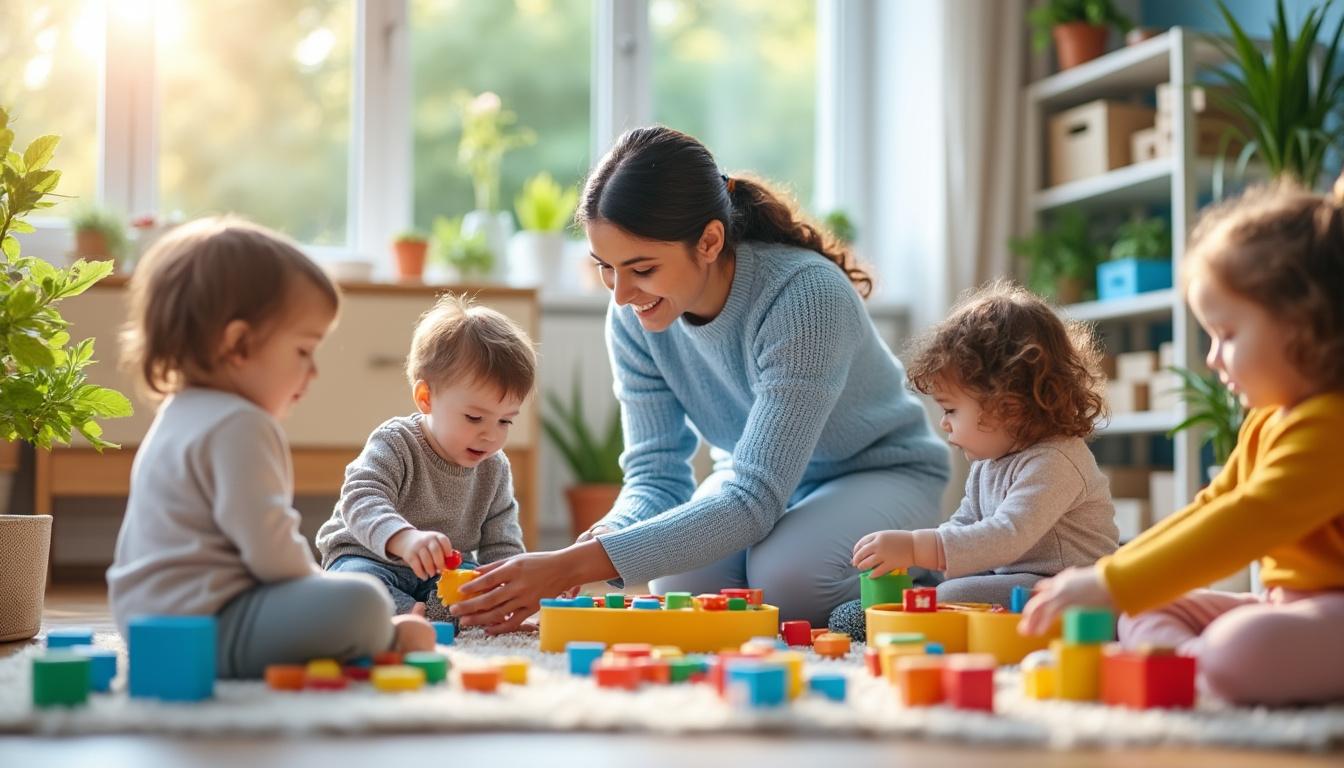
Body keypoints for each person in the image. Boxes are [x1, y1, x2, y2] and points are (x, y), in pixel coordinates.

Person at [451, 125, 948, 633]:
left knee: (787, 582)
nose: (621, 294)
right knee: (681, 585)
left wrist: (571, 566)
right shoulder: (632, 317)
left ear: (709, 241)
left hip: (877, 473)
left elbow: (753, 498)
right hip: (759, 482)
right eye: (606, 267)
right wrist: (602, 538)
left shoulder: (806, 298)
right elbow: (657, 473)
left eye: (641, 268)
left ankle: (928, 571)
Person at [1021, 178, 1344, 706]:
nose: (1213, 358)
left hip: (1328, 611)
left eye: (1228, 335)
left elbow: (1246, 518)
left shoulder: (1332, 426)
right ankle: (1195, 669)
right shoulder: (1268, 418)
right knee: (1146, 608)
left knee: (1240, 646)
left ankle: (1208, 668)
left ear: (1305, 325)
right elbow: (1214, 502)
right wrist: (1112, 578)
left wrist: (1111, 584)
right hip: (1284, 603)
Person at [107, 216, 434, 678]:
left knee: (351, 595)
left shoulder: (178, 412)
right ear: (239, 344)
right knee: (363, 598)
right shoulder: (242, 424)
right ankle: (391, 636)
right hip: (212, 626)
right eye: (303, 351)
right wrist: (332, 594)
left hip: (144, 624)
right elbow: (273, 554)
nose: (313, 371)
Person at [827, 281, 1117, 640]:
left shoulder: (1056, 460)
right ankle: (907, 608)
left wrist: (918, 546)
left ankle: (921, 611)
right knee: (944, 579)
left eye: (951, 409)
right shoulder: (989, 462)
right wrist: (918, 554)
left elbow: (1008, 535)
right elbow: (966, 521)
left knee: (950, 592)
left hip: (1067, 584)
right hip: (1011, 576)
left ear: (1007, 405)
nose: (944, 422)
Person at [316, 294, 533, 622]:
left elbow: (502, 543)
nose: (491, 435)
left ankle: (422, 613)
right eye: (474, 418)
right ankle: (406, 612)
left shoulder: (495, 467)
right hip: (369, 558)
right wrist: (405, 539)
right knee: (353, 588)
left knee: (476, 588)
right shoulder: (396, 442)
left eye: (505, 421)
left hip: (440, 576)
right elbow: (360, 499)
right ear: (426, 398)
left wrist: (513, 587)